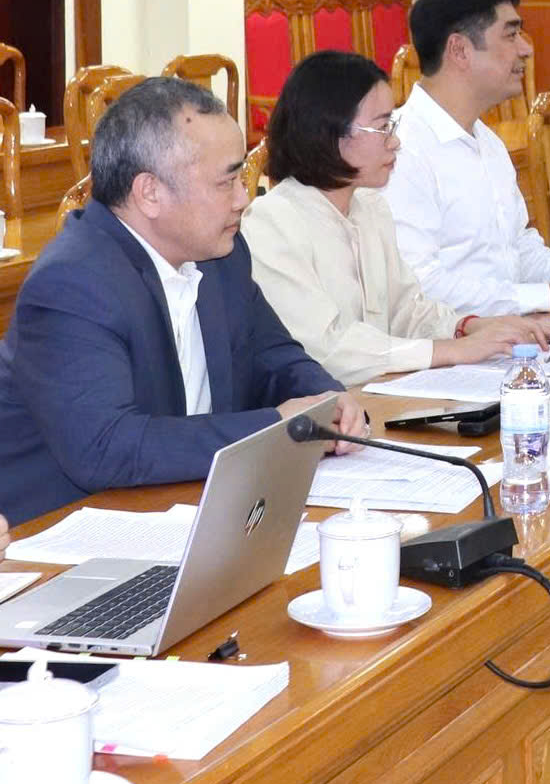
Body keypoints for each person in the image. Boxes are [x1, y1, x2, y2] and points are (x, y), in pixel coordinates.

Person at [0, 77, 362, 523]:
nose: (243, 199)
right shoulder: (73, 282)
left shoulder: (220, 254)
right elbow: (106, 448)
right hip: (56, 532)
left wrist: (326, 398)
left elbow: (272, 354)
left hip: (178, 507)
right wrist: (274, 427)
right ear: (150, 193)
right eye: (226, 182)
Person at [242, 52, 550, 387]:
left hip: (380, 394)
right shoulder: (271, 223)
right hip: (322, 407)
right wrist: (451, 350)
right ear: (330, 133)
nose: (395, 141)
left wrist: (469, 327)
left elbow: (408, 309)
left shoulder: (370, 208)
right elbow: (327, 350)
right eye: (382, 127)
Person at [386, 0, 550, 315]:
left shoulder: (488, 141)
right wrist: (546, 296)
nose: (526, 48)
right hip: (453, 341)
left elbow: (516, 249)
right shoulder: (401, 150)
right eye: (511, 35)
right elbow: (418, 286)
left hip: (508, 331)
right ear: (460, 50)